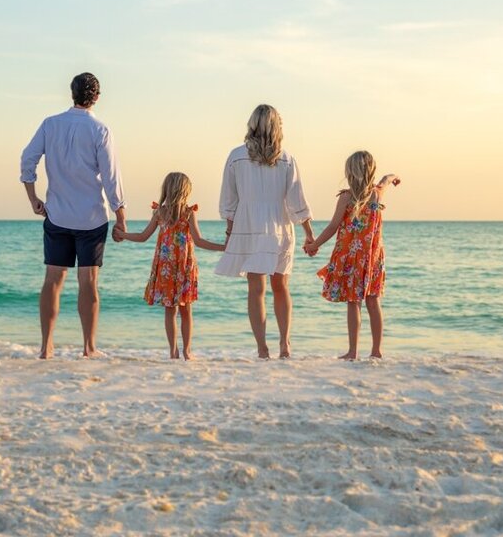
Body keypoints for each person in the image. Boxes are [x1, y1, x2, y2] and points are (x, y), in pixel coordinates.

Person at [20, 72, 126, 359]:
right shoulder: (100, 130)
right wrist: (121, 215)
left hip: (57, 215)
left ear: (71, 93)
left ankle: (46, 347)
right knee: (88, 282)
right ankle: (89, 348)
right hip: (91, 217)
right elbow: (111, 177)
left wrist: (33, 199)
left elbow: (27, 159)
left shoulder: (50, 124)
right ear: (97, 97)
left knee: (53, 280)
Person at [215, 104, 314, 359]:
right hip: (280, 226)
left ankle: (262, 348)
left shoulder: (236, 156)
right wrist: (309, 233)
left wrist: (230, 230)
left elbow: (229, 198)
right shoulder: (286, 158)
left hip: (248, 226)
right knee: (281, 286)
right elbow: (296, 200)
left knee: (255, 289)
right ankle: (285, 343)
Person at [115, 172, 224, 360]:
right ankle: (187, 351)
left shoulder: (160, 213)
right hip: (184, 267)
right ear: (184, 191)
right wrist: (224, 247)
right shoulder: (188, 213)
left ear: (167, 189)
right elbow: (199, 241)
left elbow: (142, 237)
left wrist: (123, 235)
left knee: (170, 310)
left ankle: (173, 352)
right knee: (186, 310)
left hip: (165, 268)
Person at [305, 151, 400, 360]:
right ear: (370, 171)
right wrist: (392, 178)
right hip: (374, 258)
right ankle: (376, 351)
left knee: (353, 302)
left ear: (350, 173)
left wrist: (314, 245)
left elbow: (332, 227)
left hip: (351, 257)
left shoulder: (347, 197)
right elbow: (385, 180)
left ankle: (353, 351)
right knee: (373, 301)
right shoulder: (377, 194)